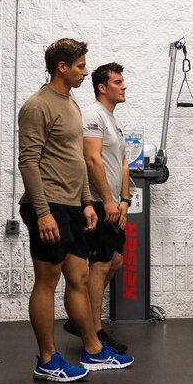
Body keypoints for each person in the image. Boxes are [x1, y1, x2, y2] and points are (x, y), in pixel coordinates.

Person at [19, 39, 134, 382]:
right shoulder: (37, 106)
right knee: (47, 281)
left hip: (71, 206)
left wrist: (86, 202)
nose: (86, 71)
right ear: (62, 67)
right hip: (48, 205)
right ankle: (47, 359)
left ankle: (93, 350)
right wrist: (42, 212)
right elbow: (28, 161)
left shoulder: (70, 104)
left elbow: (76, 162)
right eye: (81, 66)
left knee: (79, 279)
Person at [61, 62, 131, 353]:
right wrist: (107, 200)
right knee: (99, 266)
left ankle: (81, 320)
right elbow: (91, 160)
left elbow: (124, 163)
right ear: (102, 88)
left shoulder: (113, 120)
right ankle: (93, 329)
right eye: (117, 82)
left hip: (114, 203)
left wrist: (124, 199)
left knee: (115, 262)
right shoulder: (92, 114)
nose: (124, 85)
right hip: (99, 203)